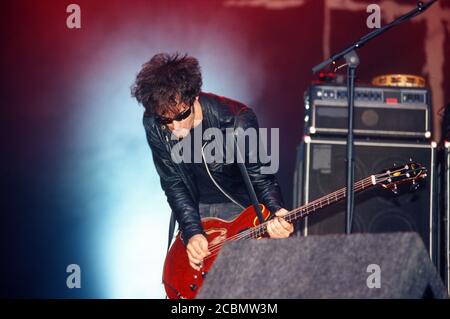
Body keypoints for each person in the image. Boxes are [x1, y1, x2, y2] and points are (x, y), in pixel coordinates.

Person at [131, 53, 293, 271]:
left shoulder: (237, 120)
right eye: (165, 120)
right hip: (197, 210)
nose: (175, 127)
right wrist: (192, 231)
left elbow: (261, 177)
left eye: (180, 116)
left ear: (194, 97)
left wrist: (276, 211)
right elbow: (174, 183)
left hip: (237, 210)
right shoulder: (152, 123)